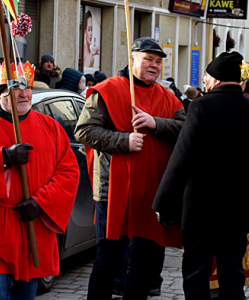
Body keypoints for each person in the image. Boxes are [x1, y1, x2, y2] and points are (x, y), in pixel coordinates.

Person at [0, 62, 79, 300]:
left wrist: (41, 202)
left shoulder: (51, 127)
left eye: (27, 87)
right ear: (0, 94)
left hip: (32, 228)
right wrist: (3, 156)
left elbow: (68, 172)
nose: (23, 94)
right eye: (15, 88)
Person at [75, 37, 185, 300]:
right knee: (108, 259)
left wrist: (156, 123)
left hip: (152, 190)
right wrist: (123, 141)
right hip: (113, 189)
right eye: (148, 59)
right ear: (132, 59)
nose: (154, 65)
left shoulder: (169, 98)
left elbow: (186, 128)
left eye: (158, 61)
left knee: (144, 261)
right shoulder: (106, 90)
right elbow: (84, 131)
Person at [153, 52, 249, 300]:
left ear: (215, 78)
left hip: (201, 208)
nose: (203, 80)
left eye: (205, 76)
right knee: (232, 272)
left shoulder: (201, 107)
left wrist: (162, 202)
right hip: (237, 208)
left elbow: (182, 158)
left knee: (196, 272)